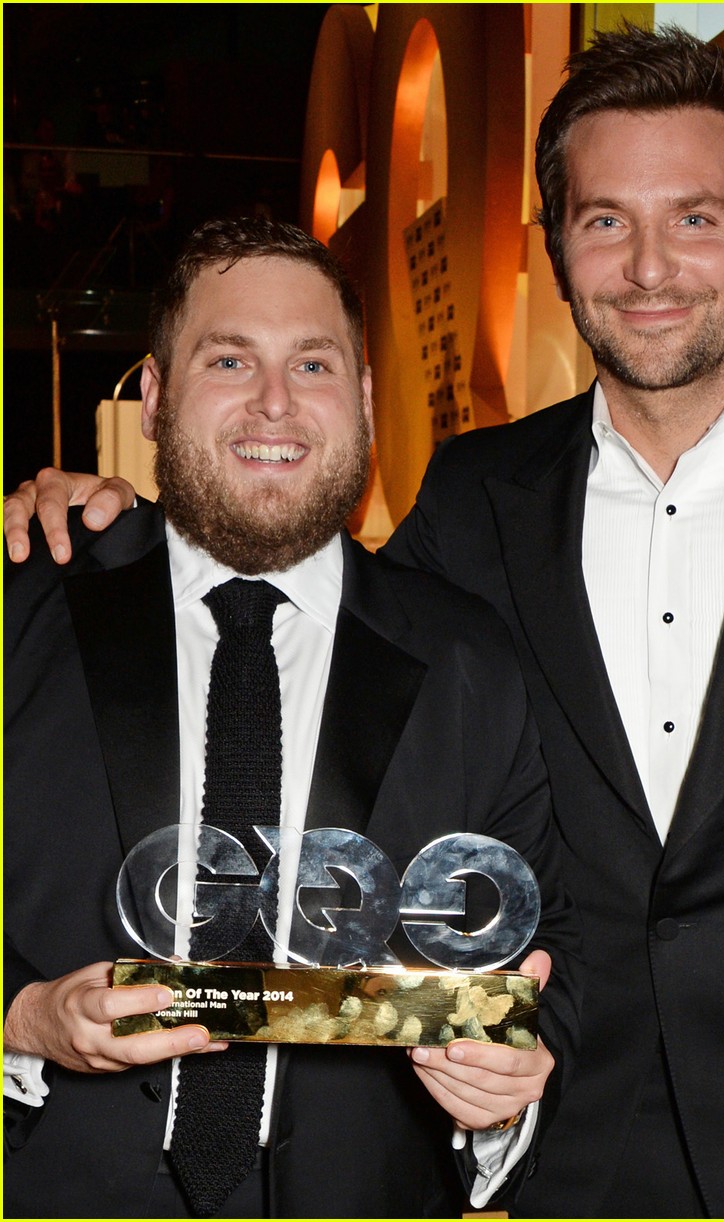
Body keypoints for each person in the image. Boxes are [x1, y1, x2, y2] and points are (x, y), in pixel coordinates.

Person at [6, 23, 724, 1219]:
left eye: (694, 217)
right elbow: (296, 599)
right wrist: (129, 527)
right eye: (604, 220)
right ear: (556, 250)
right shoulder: (477, 494)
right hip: (559, 1122)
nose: (648, 267)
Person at [3, 217, 581, 1219]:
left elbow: (551, 944)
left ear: (362, 400)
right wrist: (20, 1020)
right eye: (229, 359)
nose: (274, 400)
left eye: (312, 364)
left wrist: (506, 1093)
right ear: (154, 398)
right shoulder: (23, 609)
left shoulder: (471, 662)